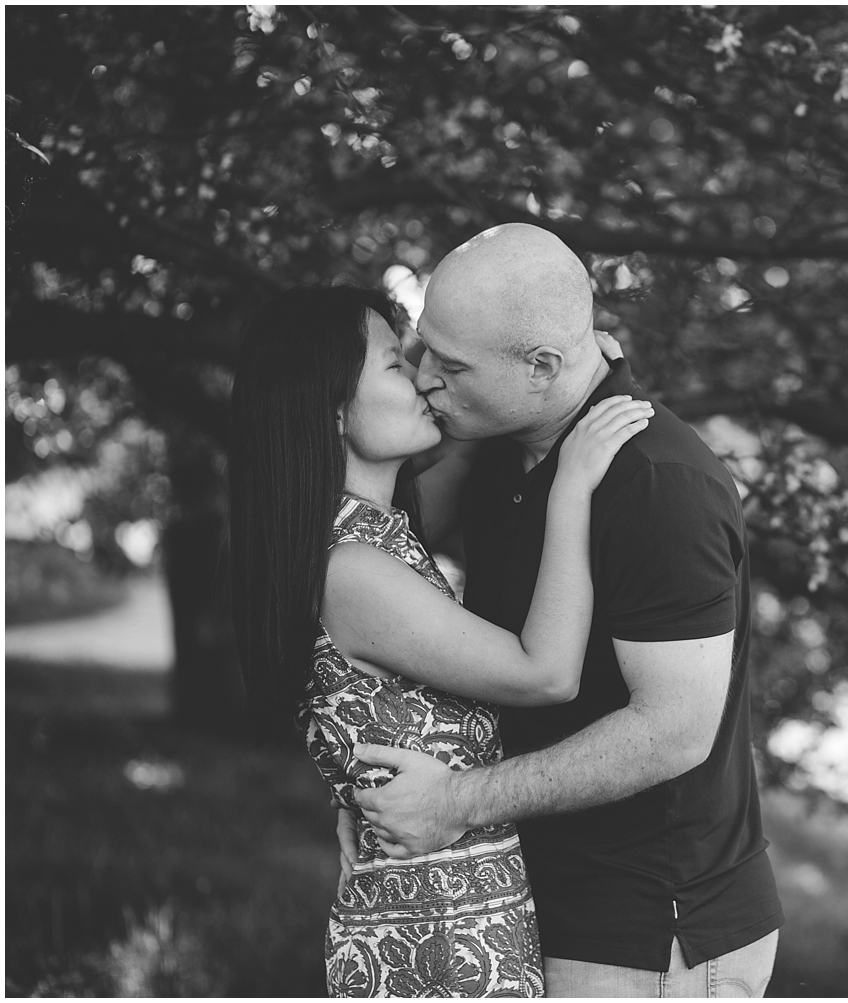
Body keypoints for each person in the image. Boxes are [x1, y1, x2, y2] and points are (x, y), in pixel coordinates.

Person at [346, 223, 784, 997]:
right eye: (421, 350)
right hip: (541, 900)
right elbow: (398, 558)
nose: (423, 378)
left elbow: (673, 730)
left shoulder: (656, 486)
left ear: (543, 365)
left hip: (648, 927)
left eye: (449, 365)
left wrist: (454, 803)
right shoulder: (505, 444)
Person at [228, 285, 653, 997]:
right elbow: (544, 671)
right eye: (398, 365)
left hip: (458, 920)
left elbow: (489, 439)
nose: (427, 379)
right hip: (436, 940)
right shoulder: (352, 569)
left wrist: (569, 376)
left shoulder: (373, 529)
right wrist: (574, 486)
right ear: (334, 410)